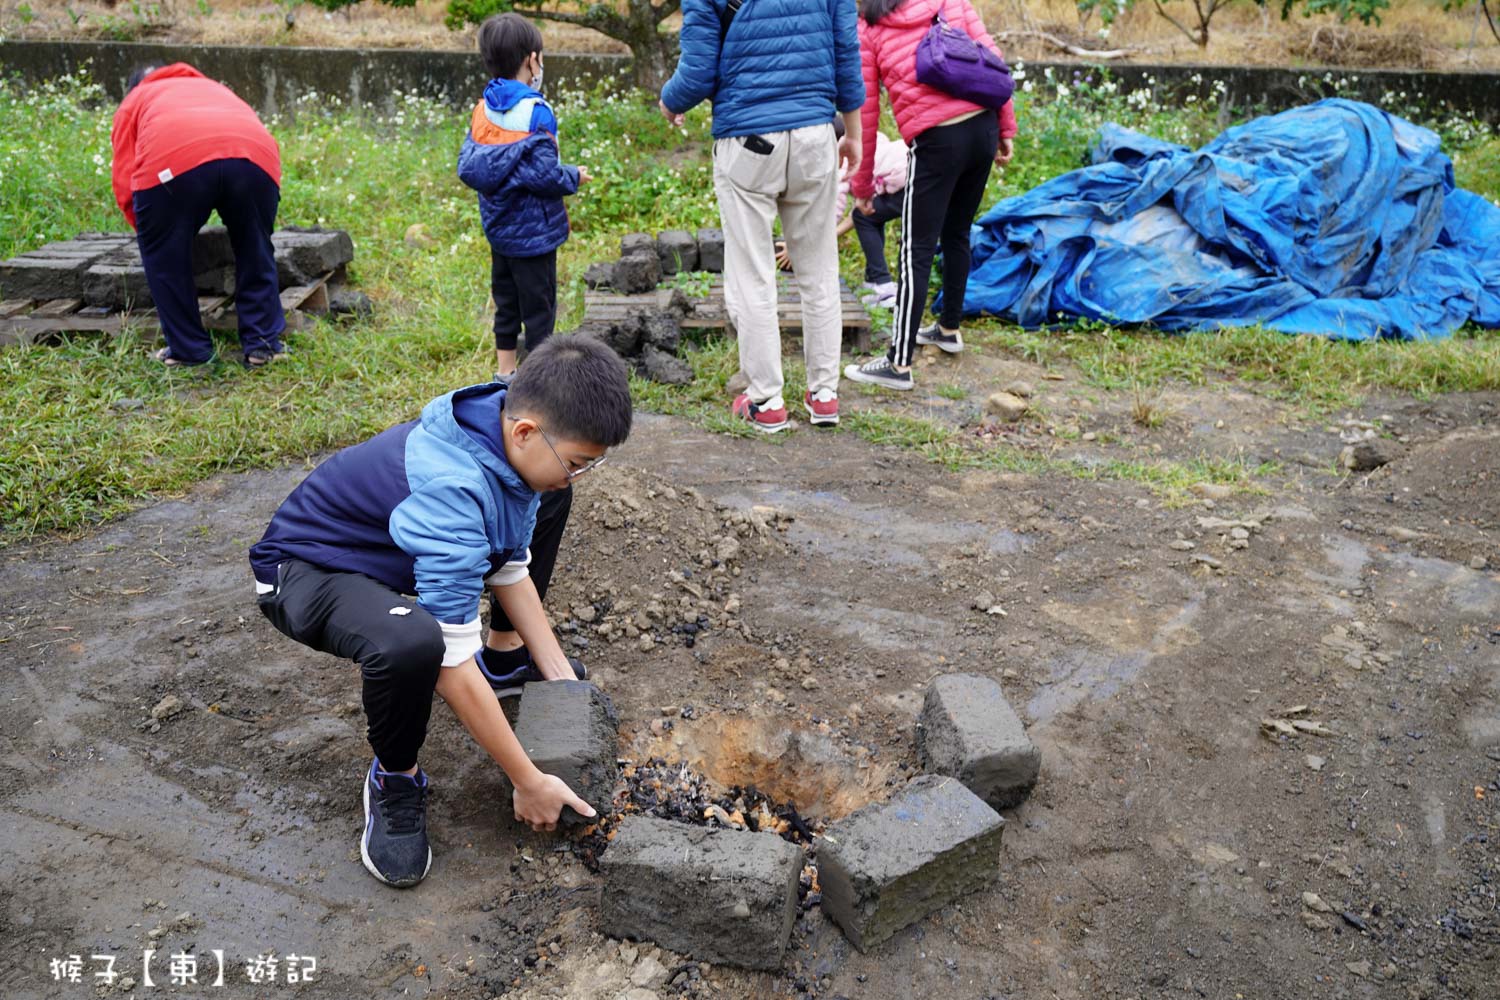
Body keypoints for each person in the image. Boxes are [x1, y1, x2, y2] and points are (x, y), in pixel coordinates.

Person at [248, 337, 631, 888]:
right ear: (525, 431)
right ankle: (395, 778)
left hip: (382, 554)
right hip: (306, 570)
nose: (577, 474)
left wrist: (562, 680)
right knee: (414, 643)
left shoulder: (503, 439)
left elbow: (509, 565)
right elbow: (450, 663)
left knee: (550, 497)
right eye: (576, 464)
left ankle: (501, 666)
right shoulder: (453, 486)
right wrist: (526, 779)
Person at [658, 0, 865, 432]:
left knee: (753, 272)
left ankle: (766, 400)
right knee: (819, 269)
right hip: (815, 134)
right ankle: (824, 395)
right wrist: (855, 133)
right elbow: (847, 51)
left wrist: (669, 101)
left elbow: (697, 72)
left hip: (748, 139)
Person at [843, 0, 1018, 392]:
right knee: (957, 232)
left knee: (915, 249)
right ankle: (948, 328)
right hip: (981, 127)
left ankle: (897, 363)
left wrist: (863, 185)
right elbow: (993, 59)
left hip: (937, 138)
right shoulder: (949, 1)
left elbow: (865, 113)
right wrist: (1005, 126)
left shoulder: (868, 29)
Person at [110, 63, 286, 368]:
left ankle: (189, 350)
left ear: (134, 85)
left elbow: (126, 178)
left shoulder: (138, 98)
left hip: (174, 163)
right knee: (255, 247)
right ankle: (264, 345)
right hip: (254, 158)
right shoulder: (215, 88)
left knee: (166, 260)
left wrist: (153, 234)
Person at [458, 13, 591, 383]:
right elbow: (544, 175)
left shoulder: (481, 109)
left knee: (506, 301)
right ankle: (538, 381)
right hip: (534, 235)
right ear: (532, 60)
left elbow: (482, 166)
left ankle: (505, 372)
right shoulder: (536, 112)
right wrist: (574, 176)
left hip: (498, 229)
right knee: (539, 309)